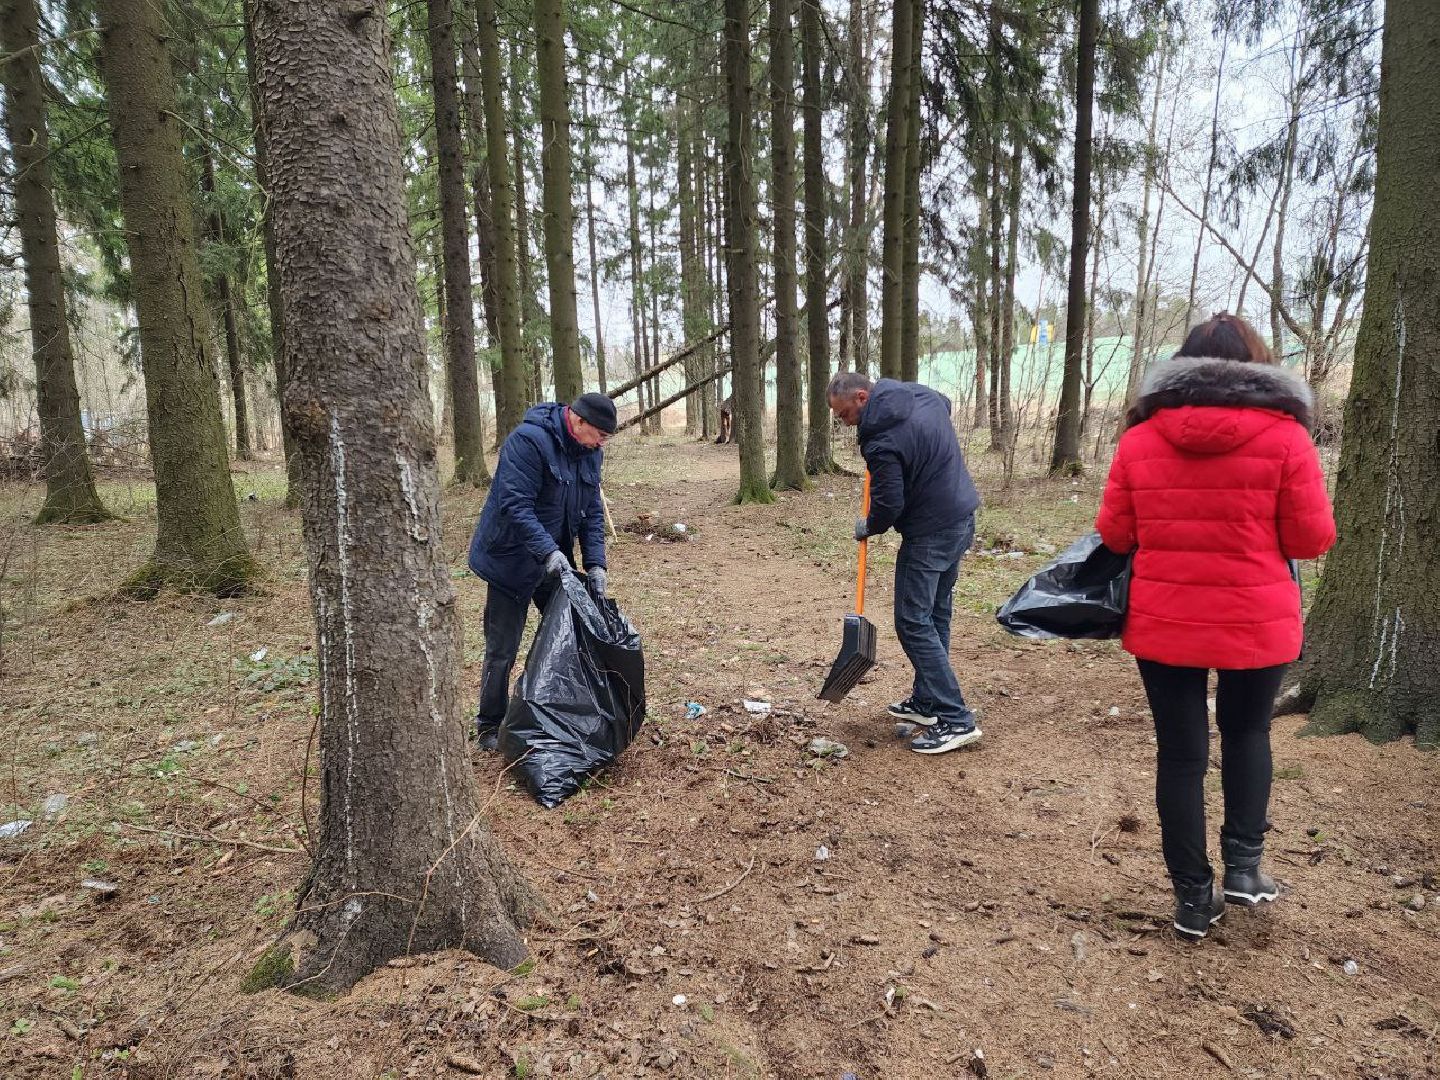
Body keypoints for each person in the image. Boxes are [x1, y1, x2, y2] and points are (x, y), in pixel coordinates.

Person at [1096, 313, 1335, 939]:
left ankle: (1192, 898)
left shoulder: (1141, 439)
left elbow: (1116, 535)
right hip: (1256, 619)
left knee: (1180, 754)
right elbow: (1313, 540)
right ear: (1257, 367)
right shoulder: (1286, 439)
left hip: (1165, 619)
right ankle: (1245, 871)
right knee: (1248, 732)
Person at [827, 372, 983, 754]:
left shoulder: (881, 440)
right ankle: (928, 701)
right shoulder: (920, 395)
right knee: (935, 616)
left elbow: (889, 504)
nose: (842, 422)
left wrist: (869, 527)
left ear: (862, 397)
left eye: (843, 413)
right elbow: (945, 404)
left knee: (913, 622)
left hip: (930, 533)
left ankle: (955, 718)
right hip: (961, 517)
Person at [468, 392, 616, 749]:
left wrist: (595, 563)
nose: (600, 444)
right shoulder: (528, 442)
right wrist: (548, 550)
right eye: (599, 435)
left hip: (554, 562)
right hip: (511, 559)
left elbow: (592, 512)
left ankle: (562, 710)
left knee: (572, 632)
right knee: (502, 648)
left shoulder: (590, 453)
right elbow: (515, 505)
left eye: (605, 439)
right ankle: (489, 723)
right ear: (578, 421)